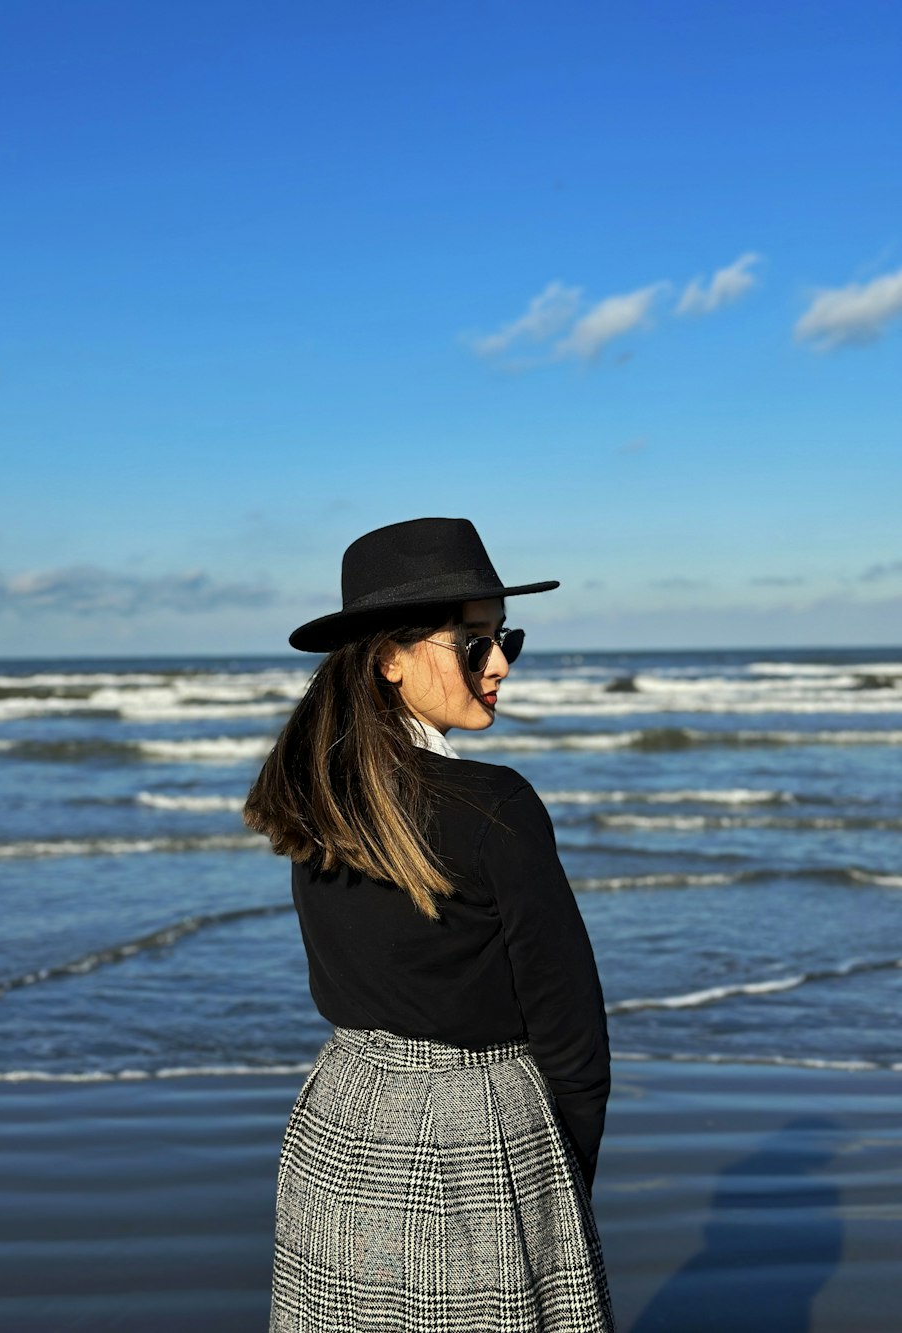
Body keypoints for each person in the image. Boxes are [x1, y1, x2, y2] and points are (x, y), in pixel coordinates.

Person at [244, 517, 615, 1333]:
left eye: (504, 636)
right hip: (480, 1139)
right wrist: (556, 1182)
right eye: (473, 643)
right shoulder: (495, 806)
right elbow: (573, 1040)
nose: (501, 664)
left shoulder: (315, 794)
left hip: (337, 1131)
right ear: (389, 657)